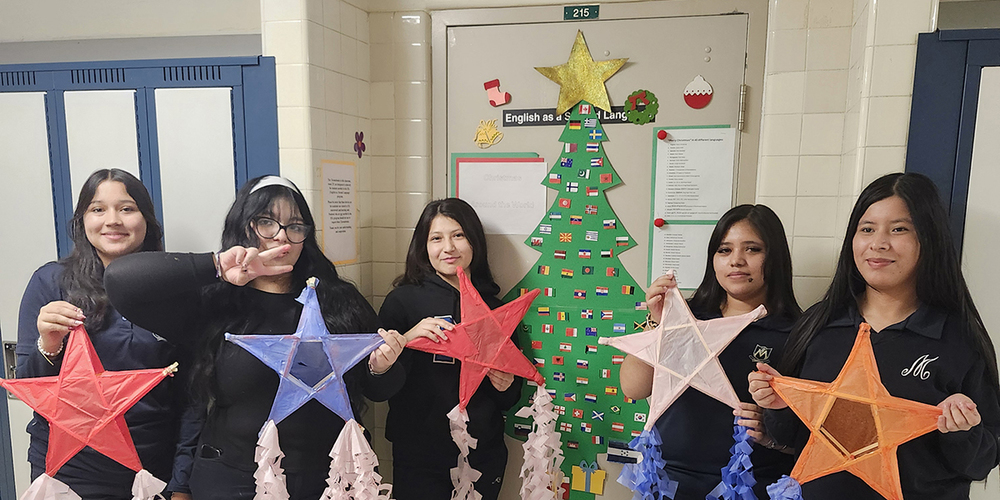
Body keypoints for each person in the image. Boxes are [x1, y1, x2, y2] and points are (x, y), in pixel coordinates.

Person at [104, 175, 407, 500]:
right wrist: (217, 266)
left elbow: (380, 390)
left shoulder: (338, 300)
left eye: (295, 226)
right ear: (245, 227)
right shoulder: (214, 303)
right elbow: (120, 282)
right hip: (233, 480)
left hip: (329, 480)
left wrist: (382, 368)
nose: (282, 236)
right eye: (266, 222)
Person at [748, 172, 1000, 500]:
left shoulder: (958, 339)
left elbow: (982, 463)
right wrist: (778, 405)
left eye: (899, 229)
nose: (878, 243)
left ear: (929, 238)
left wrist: (963, 431)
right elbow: (791, 440)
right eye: (867, 229)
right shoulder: (820, 324)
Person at [15, 168, 189, 498]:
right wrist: (49, 344)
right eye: (98, 209)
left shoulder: (175, 288)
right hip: (67, 470)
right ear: (82, 220)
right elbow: (29, 385)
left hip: (152, 469)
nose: (112, 220)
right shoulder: (51, 282)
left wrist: (182, 482)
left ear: (146, 220)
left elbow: (194, 398)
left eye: (126, 208)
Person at [618, 204, 800, 499]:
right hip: (670, 480)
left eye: (752, 249)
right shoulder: (686, 317)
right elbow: (633, 388)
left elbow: (806, 433)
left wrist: (771, 433)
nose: (736, 260)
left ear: (775, 257)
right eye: (724, 250)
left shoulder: (797, 332)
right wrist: (658, 324)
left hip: (751, 484)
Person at [378, 198, 522, 500]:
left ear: (474, 241)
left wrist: (506, 384)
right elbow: (378, 385)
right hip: (419, 454)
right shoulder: (401, 302)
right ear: (423, 245)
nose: (449, 248)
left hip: (482, 453)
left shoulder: (497, 309)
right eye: (436, 238)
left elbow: (510, 398)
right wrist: (407, 338)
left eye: (458, 235)